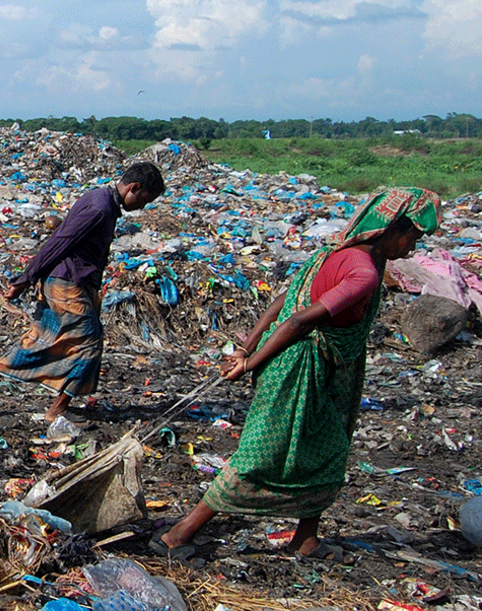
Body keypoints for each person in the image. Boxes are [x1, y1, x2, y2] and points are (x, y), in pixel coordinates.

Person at [152, 188, 440, 564]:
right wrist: (249, 361)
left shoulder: (333, 253)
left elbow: (281, 302)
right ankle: (178, 534)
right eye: (413, 236)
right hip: (301, 368)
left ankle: (306, 538)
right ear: (389, 228)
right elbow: (300, 319)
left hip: (315, 368)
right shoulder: (364, 272)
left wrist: (247, 348)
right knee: (261, 455)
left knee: (330, 451)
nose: (413, 247)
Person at [0, 162, 166, 422]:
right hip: (67, 284)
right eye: (146, 199)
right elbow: (60, 241)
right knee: (89, 342)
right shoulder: (100, 207)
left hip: (72, 282)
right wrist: (26, 279)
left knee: (39, 340)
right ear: (135, 187)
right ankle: (57, 410)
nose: (144, 206)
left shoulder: (101, 200)